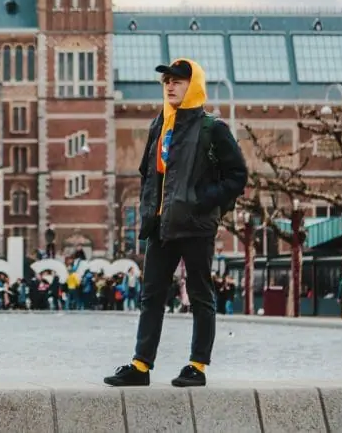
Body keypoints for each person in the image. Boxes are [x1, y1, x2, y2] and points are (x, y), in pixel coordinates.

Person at [105, 58, 247, 388]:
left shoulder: (213, 128)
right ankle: (141, 365)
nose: (170, 85)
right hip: (161, 225)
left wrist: (203, 200)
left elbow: (237, 176)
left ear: (193, 85)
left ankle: (197, 365)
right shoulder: (160, 125)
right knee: (151, 295)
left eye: (179, 81)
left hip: (195, 226)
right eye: (167, 80)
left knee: (200, 295)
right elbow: (148, 173)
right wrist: (148, 210)